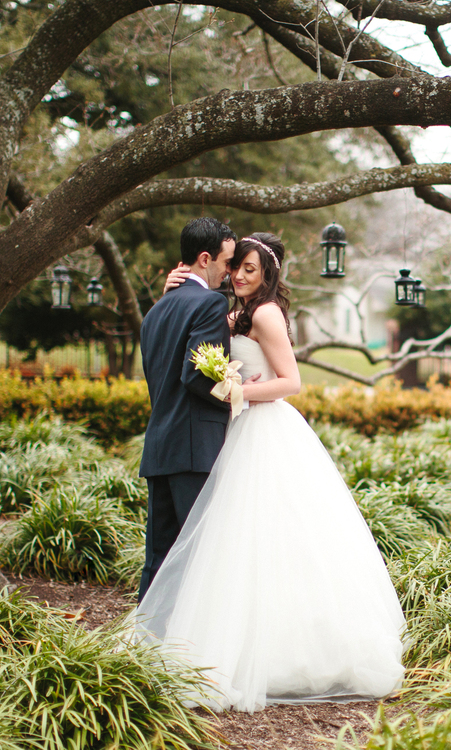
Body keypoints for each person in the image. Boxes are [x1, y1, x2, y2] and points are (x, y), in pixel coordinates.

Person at [133, 233, 405, 712]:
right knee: (230, 546)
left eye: (250, 270)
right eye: (236, 266)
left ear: (268, 276)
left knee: (272, 542)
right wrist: (177, 286)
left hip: (264, 431)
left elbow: (291, 381)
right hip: (232, 435)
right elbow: (192, 331)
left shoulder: (265, 313)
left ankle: (277, 654)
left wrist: (238, 390)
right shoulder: (230, 310)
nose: (238, 275)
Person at [136, 217, 236, 601]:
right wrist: (236, 392)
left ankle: (144, 646)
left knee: (158, 557)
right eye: (227, 264)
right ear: (205, 258)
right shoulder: (211, 304)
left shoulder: (155, 312)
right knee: (198, 554)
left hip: (160, 445)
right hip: (195, 449)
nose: (229, 275)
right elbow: (197, 376)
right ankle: (189, 649)